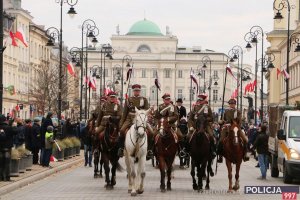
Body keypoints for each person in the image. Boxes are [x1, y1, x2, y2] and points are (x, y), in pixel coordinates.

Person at [119, 84, 154, 158]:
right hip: (130, 118)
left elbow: (146, 110)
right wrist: (121, 123)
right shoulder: (128, 100)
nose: (137, 92)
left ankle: (149, 150)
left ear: (140, 91)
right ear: (133, 91)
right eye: (135, 91)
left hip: (141, 119)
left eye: (138, 91)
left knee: (151, 132)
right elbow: (125, 112)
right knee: (122, 130)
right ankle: (121, 148)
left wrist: (142, 114)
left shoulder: (144, 99)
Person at [217, 98, 249, 163]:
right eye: (231, 104)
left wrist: (236, 125)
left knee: (245, 139)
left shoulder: (238, 111)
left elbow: (239, 121)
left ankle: (245, 154)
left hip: (236, 128)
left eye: (233, 104)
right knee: (221, 140)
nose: (232, 105)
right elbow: (224, 119)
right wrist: (221, 121)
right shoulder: (226, 111)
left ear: (235, 104)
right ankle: (220, 155)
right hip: (227, 127)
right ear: (229, 104)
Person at [0, 114, 17, 181]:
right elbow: (16, 132)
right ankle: (7, 177)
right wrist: (14, 126)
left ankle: (1, 177)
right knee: (7, 163)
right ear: (5, 120)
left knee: (0, 163)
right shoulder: (8, 127)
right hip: (7, 147)